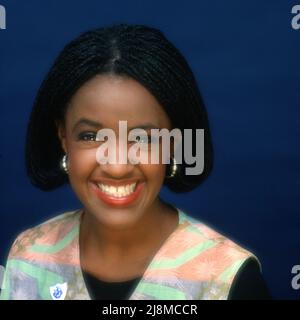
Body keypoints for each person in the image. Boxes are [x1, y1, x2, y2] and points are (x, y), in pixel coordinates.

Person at [0, 24, 270, 300]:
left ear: (173, 143)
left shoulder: (229, 280)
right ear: (63, 138)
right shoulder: (27, 259)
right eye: (91, 135)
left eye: (143, 138)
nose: (117, 166)